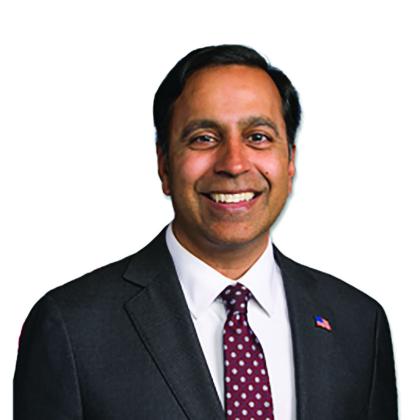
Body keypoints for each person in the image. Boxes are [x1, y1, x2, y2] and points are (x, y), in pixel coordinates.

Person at [14, 45, 398, 420]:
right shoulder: (71, 327)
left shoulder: (359, 324)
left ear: (290, 160)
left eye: (258, 137)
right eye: (204, 138)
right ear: (164, 164)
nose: (234, 163)